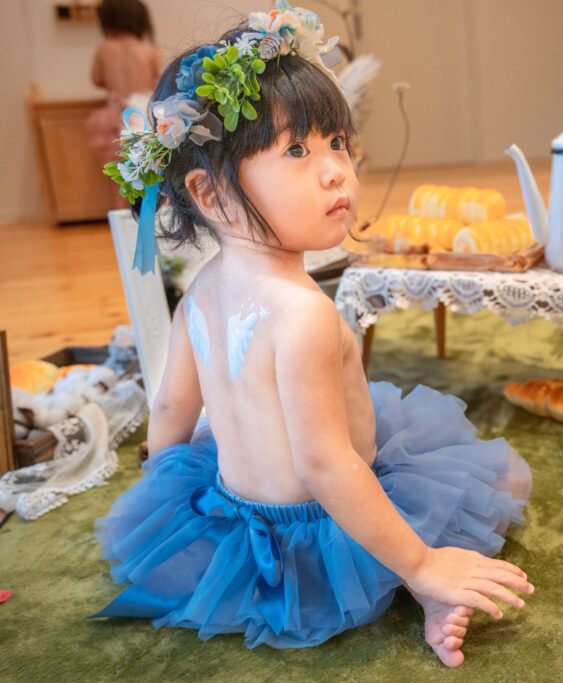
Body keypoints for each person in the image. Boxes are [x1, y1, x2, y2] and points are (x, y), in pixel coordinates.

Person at [91, 3, 532, 668]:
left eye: (337, 144)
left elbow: (171, 408)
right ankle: (427, 581)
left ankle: (414, 573)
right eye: (297, 150)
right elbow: (326, 466)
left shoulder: (201, 291)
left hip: (234, 508)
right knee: (501, 482)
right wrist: (421, 560)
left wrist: (165, 505)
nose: (335, 171)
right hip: (321, 524)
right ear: (210, 195)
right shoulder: (303, 314)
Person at [86, 0, 162, 165]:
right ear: (142, 21)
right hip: (144, 113)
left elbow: (96, 79)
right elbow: (161, 81)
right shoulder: (149, 51)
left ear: (106, 21)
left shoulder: (104, 49)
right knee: (150, 166)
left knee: (120, 169)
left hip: (116, 117)